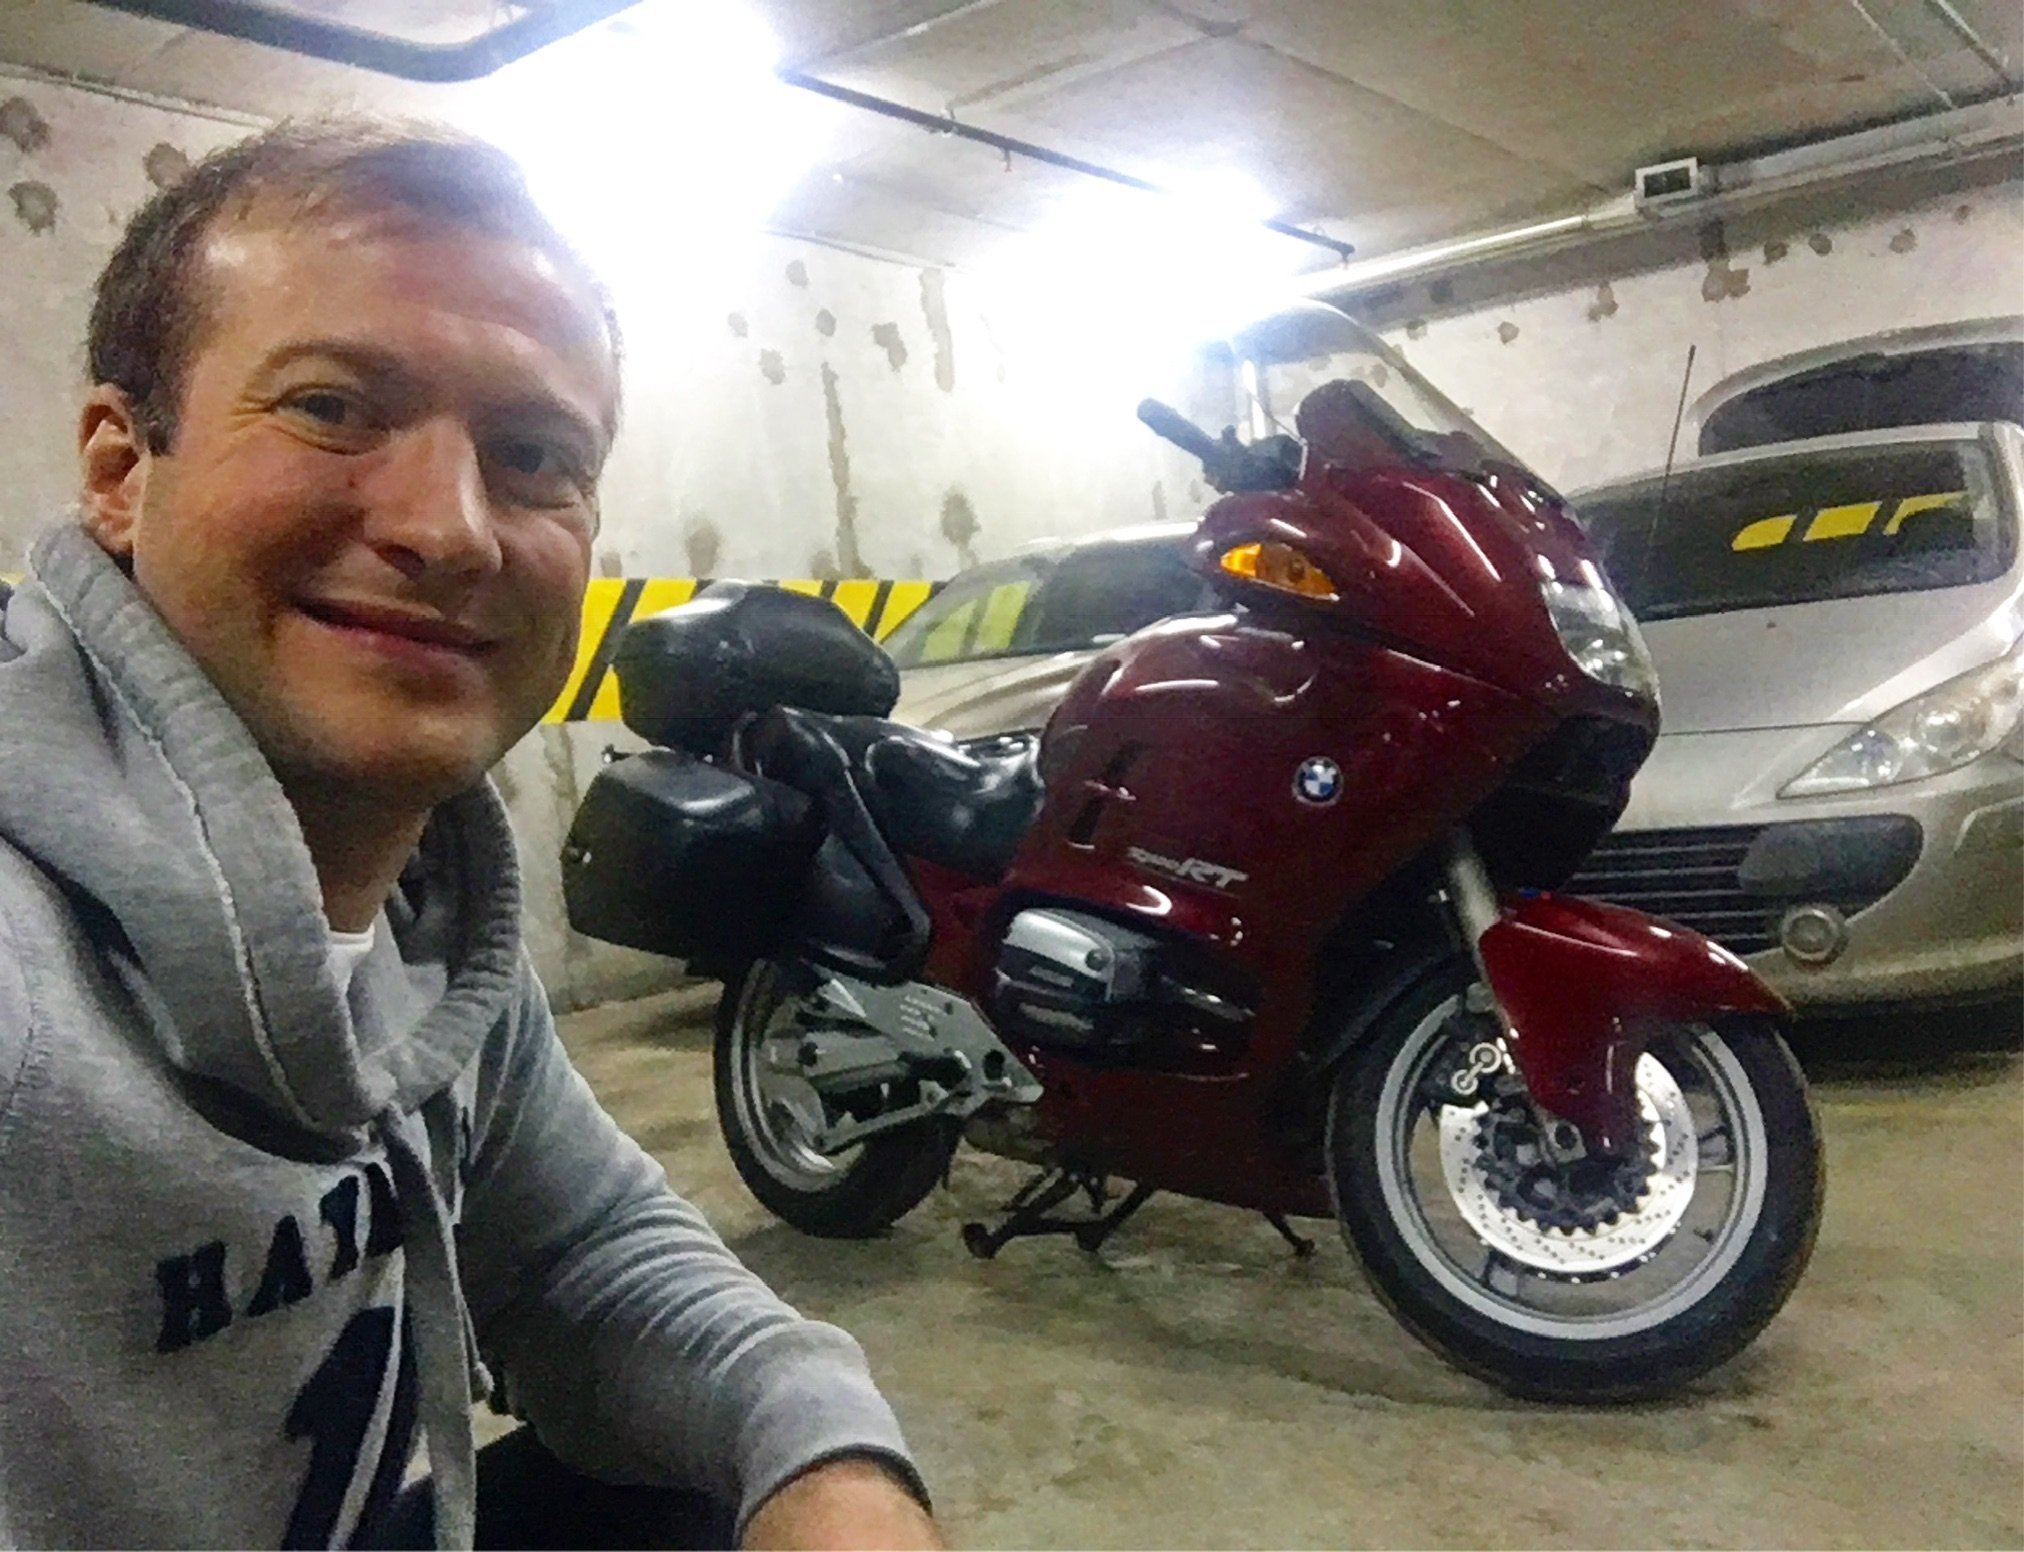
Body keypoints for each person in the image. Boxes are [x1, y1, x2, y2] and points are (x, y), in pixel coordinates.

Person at [0, 118, 943, 1550]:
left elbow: (578, 1256)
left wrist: (827, 1467)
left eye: (533, 454)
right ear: (123, 469)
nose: (450, 529)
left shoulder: (426, 911)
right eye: (331, 407)